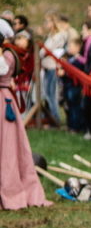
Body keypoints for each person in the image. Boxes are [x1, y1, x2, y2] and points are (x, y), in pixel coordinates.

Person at [0, 19, 52, 210]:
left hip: (3, 101)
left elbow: (3, 72)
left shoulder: (6, 56)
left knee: (7, 148)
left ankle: (10, 189)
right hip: (5, 97)